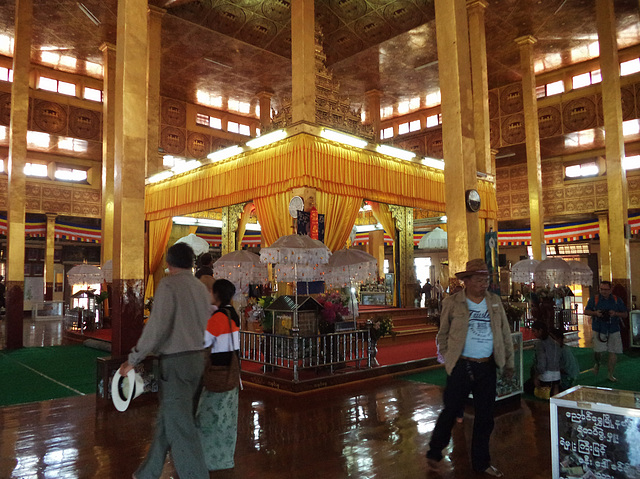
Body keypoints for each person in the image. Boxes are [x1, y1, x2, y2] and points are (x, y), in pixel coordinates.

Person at [119, 242, 211, 479]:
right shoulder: (201, 289)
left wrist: (133, 359)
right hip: (197, 361)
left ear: (169, 263)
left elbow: (157, 327)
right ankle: (147, 473)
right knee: (169, 418)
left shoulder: (169, 284)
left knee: (180, 427)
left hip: (176, 363)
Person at [426, 258, 514, 478]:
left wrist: (509, 362)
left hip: (487, 366)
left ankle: (481, 463)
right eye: (478, 279)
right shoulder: (453, 302)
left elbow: (504, 333)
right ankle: (435, 452)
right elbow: (442, 333)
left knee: (485, 417)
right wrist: (448, 357)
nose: (484, 283)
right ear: (466, 281)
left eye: (486, 279)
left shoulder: (494, 302)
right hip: (462, 366)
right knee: (450, 411)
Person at [197, 278, 241, 471]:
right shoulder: (233, 314)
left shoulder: (219, 317)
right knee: (227, 420)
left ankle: (210, 460)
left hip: (218, 374)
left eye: (211, 292)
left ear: (217, 294)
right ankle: (225, 458)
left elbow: (203, 342)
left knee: (209, 419)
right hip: (232, 375)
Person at [583, 280, 628, 382]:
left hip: (614, 328)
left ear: (611, 289)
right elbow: (586, 311)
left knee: (613, 351)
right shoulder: (595, 299)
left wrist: (615, 313)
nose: (604, 292)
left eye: (606, 290)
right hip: (599, 328)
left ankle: (610, 374)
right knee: (598, 351)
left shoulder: (617, 300)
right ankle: (597, 363)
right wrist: (596, 313)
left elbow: (625, 314)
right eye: (602, 289)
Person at [526, 321, 562, 398]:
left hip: (545, 376)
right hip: (557, 375)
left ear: (540, 331)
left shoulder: (541, 344)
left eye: (534, 331)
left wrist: (536, 377)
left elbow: (542, 364)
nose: (533, 333)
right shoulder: (555, 343)